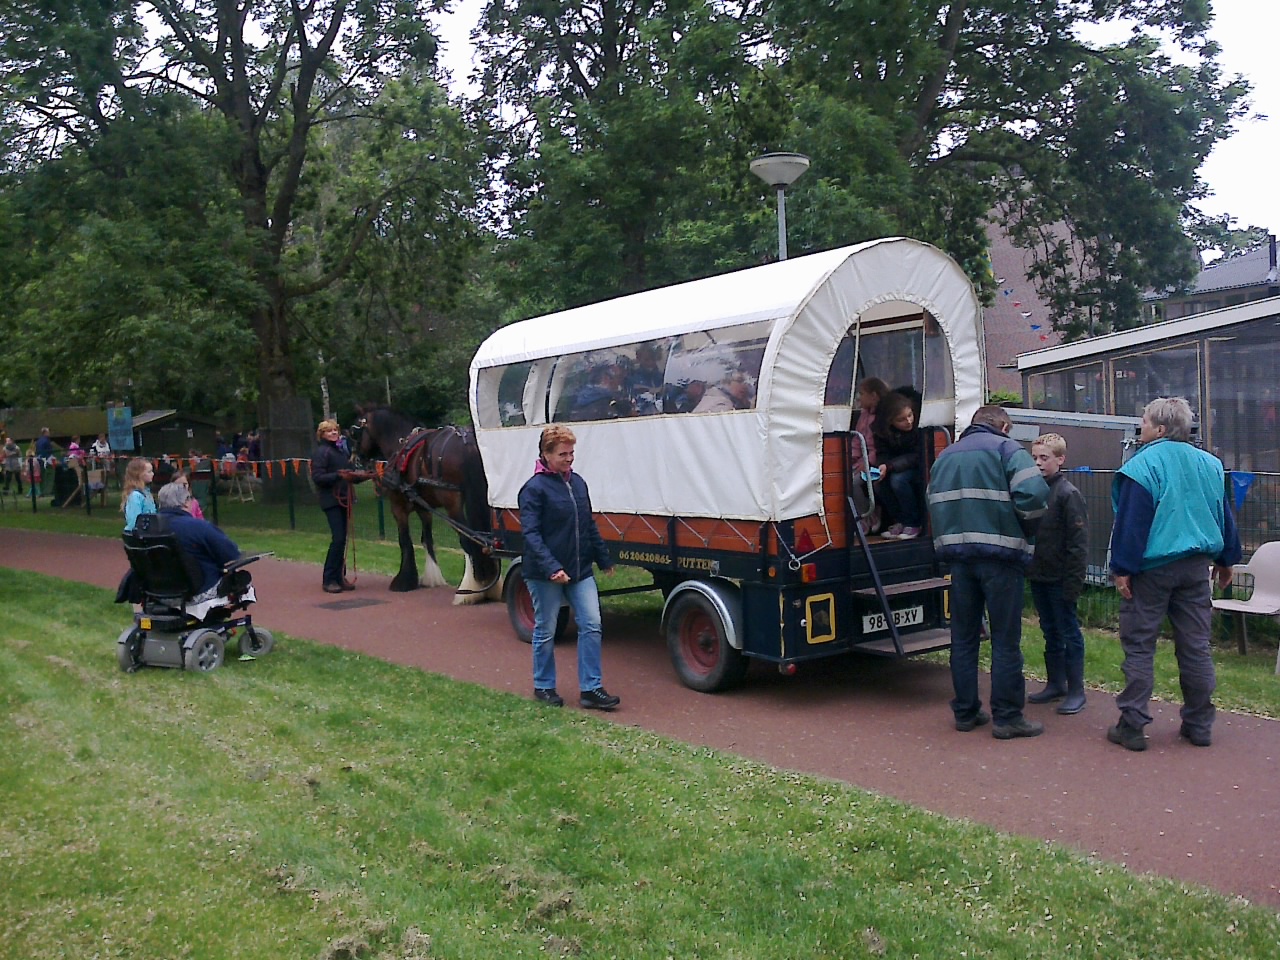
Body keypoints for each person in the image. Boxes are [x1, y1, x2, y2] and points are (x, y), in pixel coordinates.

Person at [1106, 397, 1241, 751]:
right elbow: (1223, 514)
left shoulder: (1143, 465)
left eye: (1145, 422)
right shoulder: (1211, 465)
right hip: (1197, 566)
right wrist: (1227, 560)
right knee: (1195, 647)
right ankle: (1199, 724)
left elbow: (1132, 522)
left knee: (1139, 646)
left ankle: (1132, 725)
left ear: (1160, 429)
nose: (1141, 427)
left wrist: (1122, 568)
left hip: (1152, 568)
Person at [927, 405, 1050, 739]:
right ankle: (1007, 717)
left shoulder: (946, 456)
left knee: (964, 639)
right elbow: (1035, 495)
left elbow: (934, 502)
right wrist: (1027, 529)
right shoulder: (1007, 450)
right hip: (1001, 558)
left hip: (959, 559)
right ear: (1004, 425)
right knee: (1005, 640)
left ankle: (966, 712)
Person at [518, 424, 620, 711]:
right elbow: (532, 535)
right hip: (544, 573)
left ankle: (591, 689)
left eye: (572, 452)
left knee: (592, 624)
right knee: (547, 628)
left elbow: (587, 524)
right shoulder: (533, 490)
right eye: (563, 453)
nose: (569, 458)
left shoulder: (578, 484)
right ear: (546, 454)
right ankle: (544, 686)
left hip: (580, 569)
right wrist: (552, 568)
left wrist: (603, 558)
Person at [1026, 433, 1089, 715]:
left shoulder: (1067, 494)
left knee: (1069, 632)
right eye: (1034, 457)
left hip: (1061, 577)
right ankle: (1056, 683)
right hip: (1039, 573)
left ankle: (1076, 690)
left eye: (1044, 458)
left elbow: (1078, 544)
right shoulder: (1034, 490)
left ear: (1060, 460)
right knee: (1049, 630)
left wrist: (1073, 583)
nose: (1038, 463)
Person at [311, 419, 371, 594]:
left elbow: (349, 475)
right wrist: (338, 476)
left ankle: (339, 576)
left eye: (335, 430)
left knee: (342, 540)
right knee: (337, 539)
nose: (333, 433)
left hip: (344, 498)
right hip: (331, 500)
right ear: (322, 434)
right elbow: (318, 477)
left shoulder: (340, 452)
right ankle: (329, 579)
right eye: (329, 431)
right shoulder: (322, 453)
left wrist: (367, 476)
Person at [154, 482, 241, 602]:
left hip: (157, 594)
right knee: (243, 580)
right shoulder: (197, 527)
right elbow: (230, 553)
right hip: (196, 592)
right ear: (185, 501)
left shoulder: (148, 528)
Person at [872, 390, 925, 539]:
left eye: (910, 415)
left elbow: (917, 455)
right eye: (901, 419)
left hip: (918, 467)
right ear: (890, 422)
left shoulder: (918, 429)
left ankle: (913, 523)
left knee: (898, 480)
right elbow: (882, 453)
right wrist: (881, 466)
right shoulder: (882, 432)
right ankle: (900, 521)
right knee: (878, 483)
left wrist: (888, 466)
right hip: (895, 466)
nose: (909, 421)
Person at [120, 458, 157, 532]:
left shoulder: (146, 492)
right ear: (138, 474)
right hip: (138, 535)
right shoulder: (135, 496)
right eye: (149, 472)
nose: (152, 474)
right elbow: (134, 521)